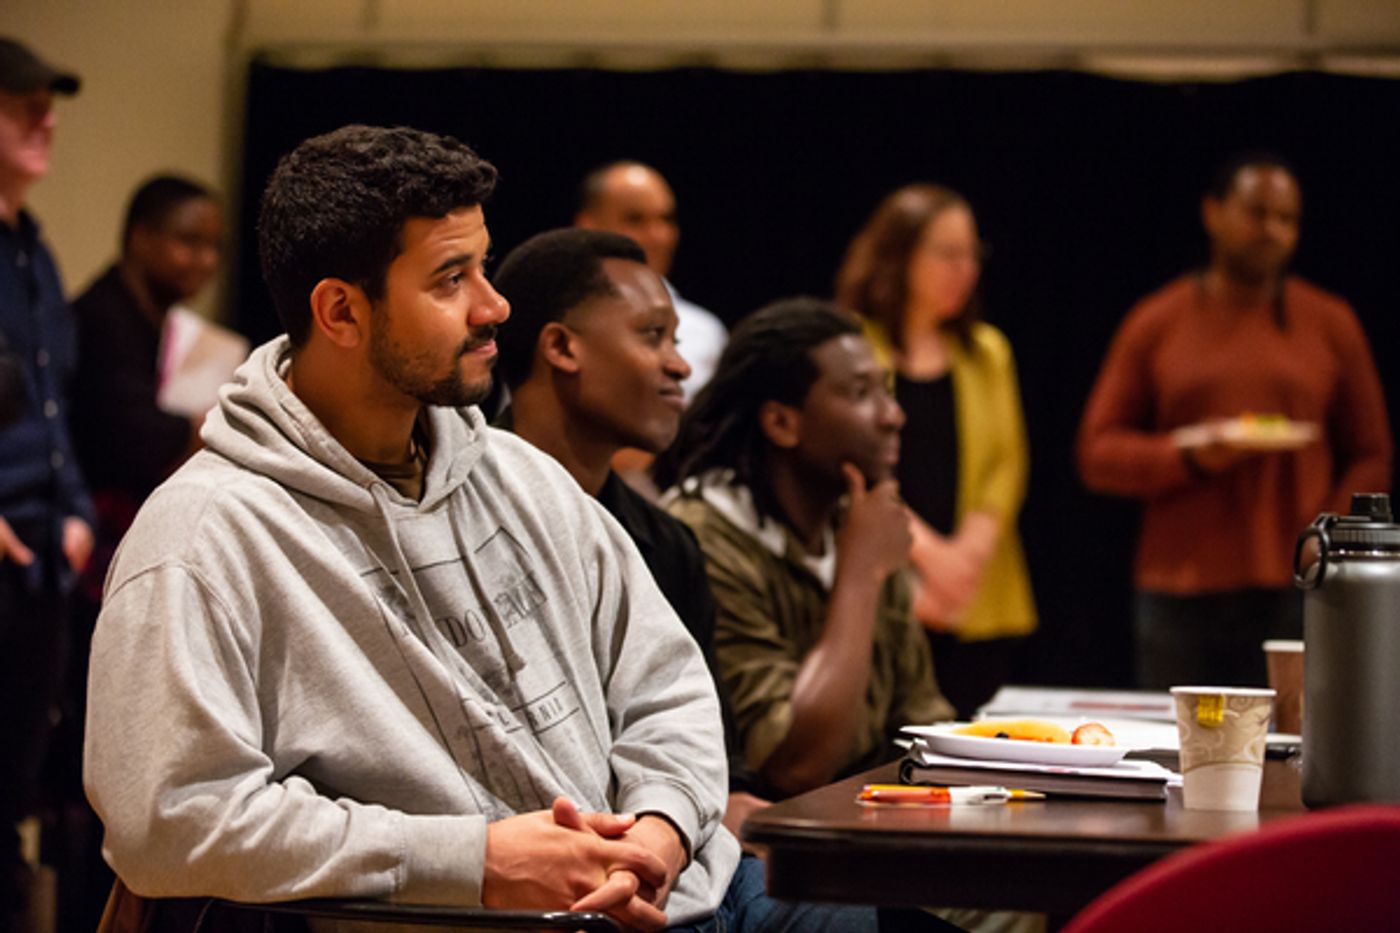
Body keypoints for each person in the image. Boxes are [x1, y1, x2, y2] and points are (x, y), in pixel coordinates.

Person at [84, 124, 919, 933]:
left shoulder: (524, 480)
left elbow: (667, 688)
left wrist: (660, 826)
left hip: (686, 884)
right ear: (340, 311)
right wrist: (474, 859)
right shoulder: (203, 537)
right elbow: (172, 821)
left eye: (483, 265)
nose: (495, 304)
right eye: (451, 279)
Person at [490, 226, 773, 843]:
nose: (681, 365)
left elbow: (716, 762)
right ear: (562, 347)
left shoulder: (667, 544)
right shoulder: (457, 520)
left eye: (675, 338)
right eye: (653, 336)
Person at [1077, 152, 1393, 689]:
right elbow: (1097, 453)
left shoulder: (1330, 321)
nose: (1271, 231)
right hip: (1180, 587)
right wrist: (1190, 455)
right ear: (1213, 213)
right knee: (1181, 754)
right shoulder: (1158, 320)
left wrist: (1331, 533)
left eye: (1287, 218)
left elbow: (1372, 452)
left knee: (1296, 748)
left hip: (1299, 581)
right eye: (1256, 213)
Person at [658, 298, 955, 799]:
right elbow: (792, 768)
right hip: (772, 849)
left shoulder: (855, 520)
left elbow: (922, 724)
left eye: (886, 390)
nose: (894, 416)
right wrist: (860, 573)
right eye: (862, 393)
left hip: (867, 821)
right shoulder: (703, 537)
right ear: (781, 423)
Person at [836, 184, 1037, 719]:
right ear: (899, 256)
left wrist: (966, 555)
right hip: (894, 585)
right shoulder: (853, 346)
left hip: (979, 588)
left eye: (972, 253)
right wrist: (927, 556)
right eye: (948, 253)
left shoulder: (986, 350)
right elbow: (851, 462)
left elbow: (1006, 463)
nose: (965, 268)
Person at [0, 36, 92, 924]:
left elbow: (51, 405)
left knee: (13, 795)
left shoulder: (33, 249)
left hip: (39, 560)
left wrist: (71, 511)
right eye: (23, 102)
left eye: (48, 102)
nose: (47, 118)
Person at [575, 161, 726, 403]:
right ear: (588, 226)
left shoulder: (705, 332)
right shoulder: (559, 316)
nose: (658, 236)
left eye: (666, 219)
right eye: (635, 220)